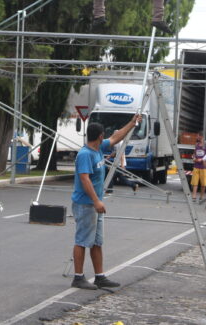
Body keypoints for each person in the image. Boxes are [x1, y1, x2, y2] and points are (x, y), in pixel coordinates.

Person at [71, 115, 142, 290]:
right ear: (100, 136)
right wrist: (96, 201)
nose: (107, 138)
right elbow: (84, 179)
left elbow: (116, 137)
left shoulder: (98, 148)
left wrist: (132, 123)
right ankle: (78, 277)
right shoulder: (85, 154)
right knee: (82, 240)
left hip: (95, 204)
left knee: (97, 242)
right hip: (86, 204)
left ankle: (99, 276)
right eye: (104, 135)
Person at [190, 133, 206, 204]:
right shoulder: (196, 145)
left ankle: (201, 196)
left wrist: (202, 160)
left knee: (203, 183)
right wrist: (194, 158)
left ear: (201, 136)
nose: (197, 137)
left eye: (198, 136)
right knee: (195, 182)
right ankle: (194, 196)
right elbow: (194, 153)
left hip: (203, 167)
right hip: (196, 166)